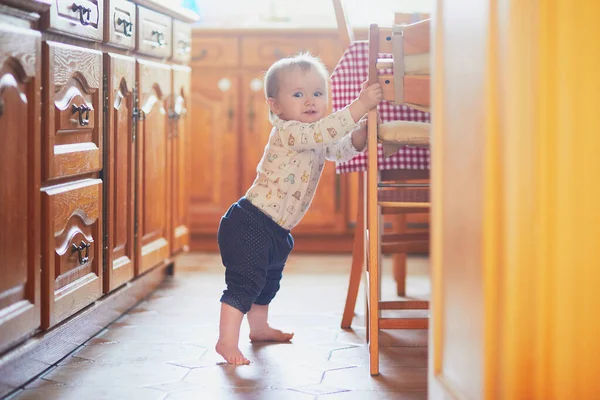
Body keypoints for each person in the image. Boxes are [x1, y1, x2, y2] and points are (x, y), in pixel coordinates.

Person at [215, 53, 382, 365]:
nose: (310, 101)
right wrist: (359, 104)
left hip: (276, 229)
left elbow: (339, 148)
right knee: (245, 282)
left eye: (318, 93)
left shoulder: (315, 133)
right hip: (250, 222)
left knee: (268, 281)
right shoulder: (290, 131)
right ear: (276, 106)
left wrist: (359, 135)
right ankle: (226, 341)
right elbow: (325, 133)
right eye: (298, 94)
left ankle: (260, 327)